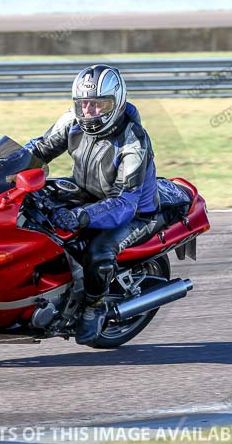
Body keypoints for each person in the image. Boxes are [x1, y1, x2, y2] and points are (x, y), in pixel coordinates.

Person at [22, 64, 161, 345]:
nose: (89, 111)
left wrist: (81, 217)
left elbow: (124, 203)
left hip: (136, 213)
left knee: (98, 251)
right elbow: (38, 150)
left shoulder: (133, 144)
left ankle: (94, 306)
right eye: (84, 104)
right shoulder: (72, 121)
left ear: (116, 102)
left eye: (99, 105)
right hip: (89, 192)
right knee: (32, 202)